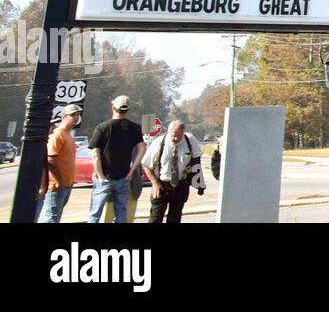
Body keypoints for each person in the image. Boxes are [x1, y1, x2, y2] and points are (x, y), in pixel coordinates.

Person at [87, 94, 145, 223]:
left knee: (95, 214)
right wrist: (131, 171)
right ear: (127, 110)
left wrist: (101, 176)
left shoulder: (102, 127)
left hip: (104, 177)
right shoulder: (135, 128)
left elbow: (95, 154)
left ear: (113, 108)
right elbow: (142, 148)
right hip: (124, 176)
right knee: (120, 212)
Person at [141, 120, 206, 223]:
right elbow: (146, 165)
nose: (176, 138)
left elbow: (197, 161)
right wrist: (155, 183)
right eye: (173, 136)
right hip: (161, 185)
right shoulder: (159, 142)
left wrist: (199, 184)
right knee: (155, 218)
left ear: (183, 133)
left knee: (175, 218)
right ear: (168, 132)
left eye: (179, 136)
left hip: (181, 185)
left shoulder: (190, 140)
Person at [37, 104, 82, 223]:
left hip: (66, 184)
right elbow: (50, 159)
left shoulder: (68, 135)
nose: (76, 117)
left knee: (54, 217)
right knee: (50, 218)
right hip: (56, 186)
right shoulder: (58, 134)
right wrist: (60, 181)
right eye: (72, 115)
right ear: (63, 117)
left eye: (77, 114)